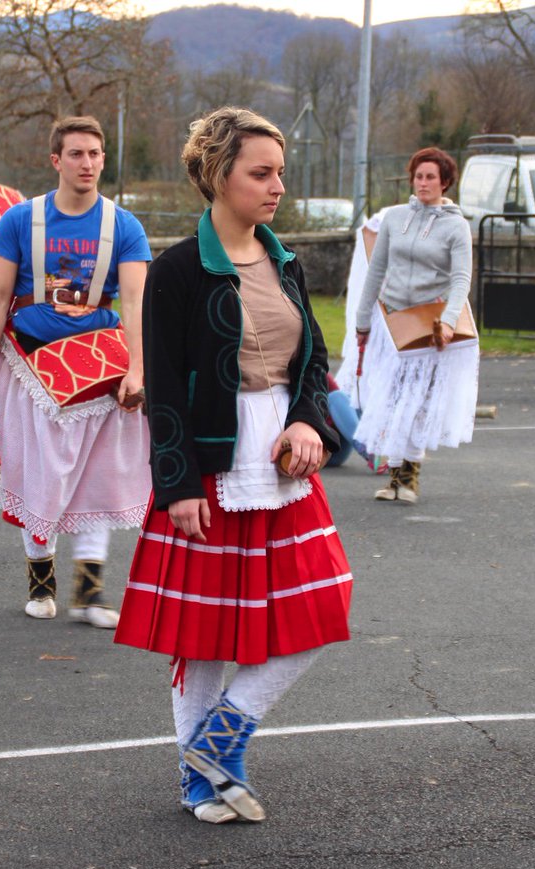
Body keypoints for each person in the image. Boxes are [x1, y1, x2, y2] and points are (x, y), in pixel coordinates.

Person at [114, 108, 352, 824]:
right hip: (212, 466)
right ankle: (199, 778)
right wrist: (178, 483)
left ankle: (219, 739)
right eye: (261, 172)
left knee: (321, 606)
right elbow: (162, 383)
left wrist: (310, 417)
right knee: (205, 633)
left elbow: (314, 358)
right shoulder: (177, 270)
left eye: (280, 171)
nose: (278, 186)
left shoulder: (284, 260)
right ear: (219, 177)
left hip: (282, 462)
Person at [0, 115, 153, 629]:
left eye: (95, 153)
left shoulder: (126, 226)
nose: (88, 163)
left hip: (101, 370)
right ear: (56, 160)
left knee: (101, 476)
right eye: (76, 153)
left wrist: (138, 371)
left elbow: (135, 303)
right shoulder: (21, 220)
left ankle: (90, 593)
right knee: (38, 472)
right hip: (33, 366)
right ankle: (40, 580)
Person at [353, 148, 479, 503]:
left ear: (445, 182)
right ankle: (393, 477)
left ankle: (409, 478)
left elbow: (460, 281)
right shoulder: (394, 218)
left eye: (431, 178)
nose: (423, 183)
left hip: (430, 323)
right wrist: (363, 319)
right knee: (391, 399)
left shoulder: (456, 226)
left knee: (418, 401)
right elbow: (376, 270)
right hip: (393, 320)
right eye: (419, 176)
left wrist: (450, 321)